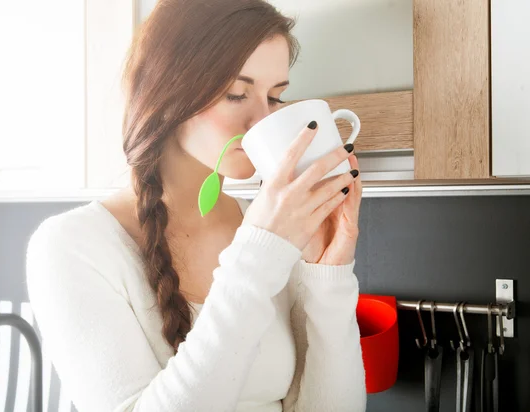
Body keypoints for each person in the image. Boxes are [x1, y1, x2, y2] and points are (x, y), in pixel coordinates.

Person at [26, 0, 366, 411]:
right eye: (236, 94)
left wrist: (329, 278)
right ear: (168, 95)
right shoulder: (72, 246)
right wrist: (259, 254)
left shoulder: (276, 226)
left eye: (275, 97)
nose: (262, 120)